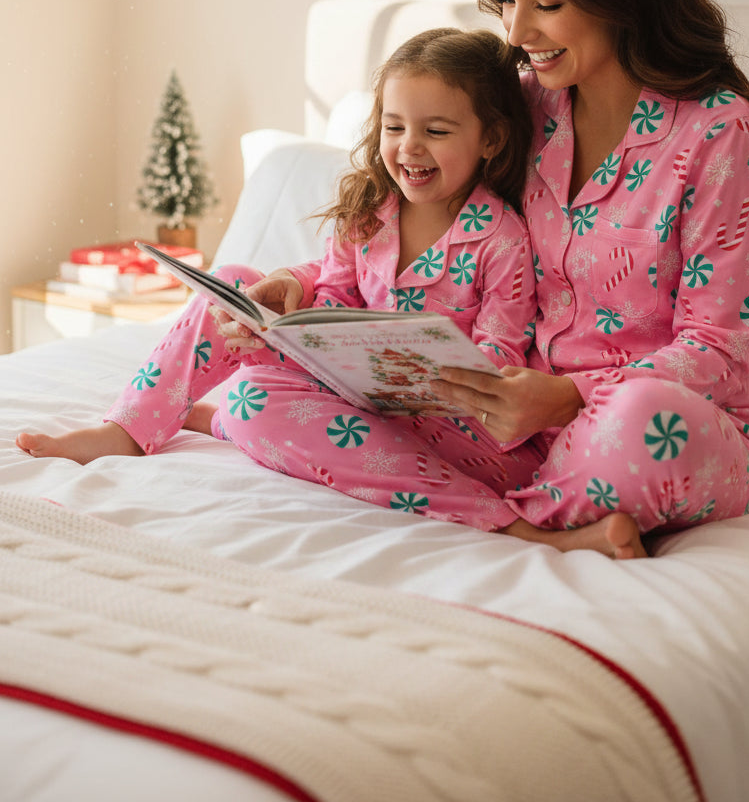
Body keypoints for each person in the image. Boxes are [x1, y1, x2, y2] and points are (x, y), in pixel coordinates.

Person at [216, 0, 749, 560]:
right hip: (505, 427)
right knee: (255, 397)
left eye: (545, 4)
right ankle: (526, 525)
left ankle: (477, 506)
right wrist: (304, 288)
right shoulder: (518, 106)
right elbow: (418, 224)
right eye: (505, 2)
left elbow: (721, 351)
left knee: (647, 419)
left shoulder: (716, 131)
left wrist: (568, 397)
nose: (517, 33)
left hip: (651, 432)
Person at [17, 28, 542, 528]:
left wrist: (414, 372)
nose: (409, 147)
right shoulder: (368, 211)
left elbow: (501, 358)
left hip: (443, 423)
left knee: (250, 404)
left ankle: (492, 516)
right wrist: (293, 305)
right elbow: (337, 294)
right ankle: (129, 429)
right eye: (394, 127)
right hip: (347, 389)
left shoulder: (503, 239)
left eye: (436, 131)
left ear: (490, 138)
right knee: (234, 283)